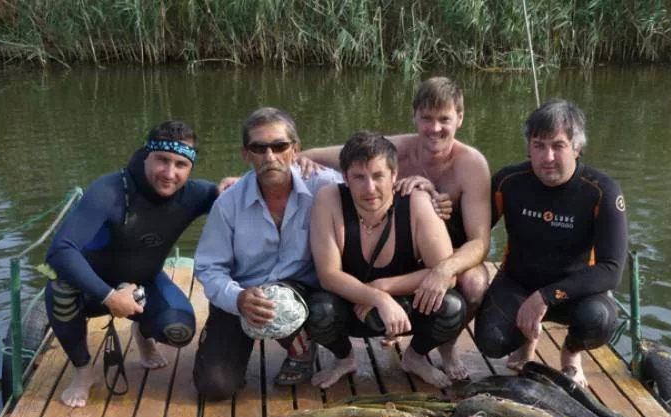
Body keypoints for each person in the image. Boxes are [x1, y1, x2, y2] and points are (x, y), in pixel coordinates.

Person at [301, 77, 491, 381]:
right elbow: (325, 155)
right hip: (388, 250)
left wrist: (443, 270)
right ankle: (343, 357)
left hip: (447, 251)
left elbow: (480, 242)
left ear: (460, 118)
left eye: (444, 119)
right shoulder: (391, 150)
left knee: (468, 286)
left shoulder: (471, 165)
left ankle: (441, 347)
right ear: (414, 116)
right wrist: (244, 182)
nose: (435, 128)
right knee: (320, 306)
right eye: (427, 118)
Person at [44, 120, 229, 408]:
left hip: (144, 283)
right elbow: (60, 251)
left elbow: (248, 200)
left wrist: (237, 185)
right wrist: (110, 296)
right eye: (162, 161)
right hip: (92, 289)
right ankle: (82, 370)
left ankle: (142, 333)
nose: (170, 173)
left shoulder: (197, 194)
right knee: (60, 286)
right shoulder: (110, 190)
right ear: (146, 155)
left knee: (179, 330)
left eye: (180, 164)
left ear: (191, 167)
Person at [474, 99, 627, 388]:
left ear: (577, 147)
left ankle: (571, 353)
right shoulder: (509, 181)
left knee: (599, 321)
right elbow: (469, 229)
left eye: (558, 146)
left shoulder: (602, 191)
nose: (548, 157)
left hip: (577, 292)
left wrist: (545, 296)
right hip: (518, 282)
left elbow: (611, 269)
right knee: (491, 341)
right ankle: (527, 339)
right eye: (538, 145)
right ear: (528, 147)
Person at [193, 107, 342, 400]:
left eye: (280, 146)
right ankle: (215, 340)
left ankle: (301, 349)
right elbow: (209, 268)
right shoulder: (228, 203)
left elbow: (374, 174)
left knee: (303, 302)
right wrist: (237, 298)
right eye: (259, 148)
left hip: (299, 290)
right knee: (215, 386)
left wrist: (418, 187)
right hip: (242, 294)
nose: (270, 156)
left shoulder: (325, 185)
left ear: (296, 149)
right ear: (246, 154)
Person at [307, 131, 466, 390]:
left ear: (394, 175)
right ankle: (343, 358)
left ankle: (415, 356)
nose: (370, 188)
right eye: (359, 177)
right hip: (350, 307)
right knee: (318, 312)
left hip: (403, 308)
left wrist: (385, 288)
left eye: (378, 176)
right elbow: (328, 275)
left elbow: (446, 272)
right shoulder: (329, 199)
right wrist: (377, 299)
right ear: (345, 178)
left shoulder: (416, 202)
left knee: (451, 307)